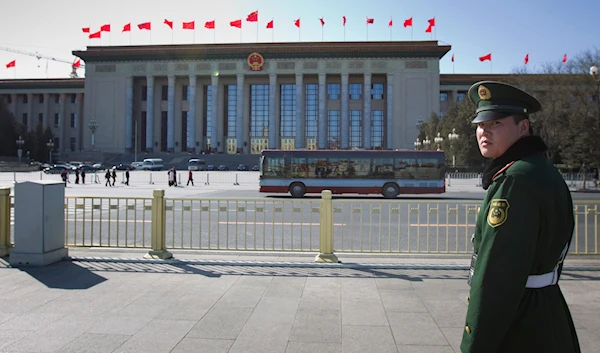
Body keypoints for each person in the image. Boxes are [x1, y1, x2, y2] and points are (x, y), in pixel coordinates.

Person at [461, 81, 579, 353]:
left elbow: (496, 276)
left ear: (523, 127)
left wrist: (473, 342)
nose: (483, 133)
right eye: (480, 125)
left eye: (496, 124)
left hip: (519, 322)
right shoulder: (540, 170)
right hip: (545, 308)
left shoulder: (515, 180)